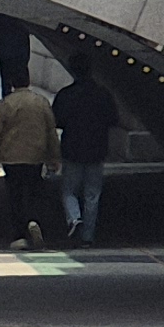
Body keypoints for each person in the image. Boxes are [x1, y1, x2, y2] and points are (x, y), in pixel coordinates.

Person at [51, 56, 120, 247]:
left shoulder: (66, 94)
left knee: (69, 191)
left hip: (72, 149)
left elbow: (57, 120)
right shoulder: (103, 94)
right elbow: (114, 119)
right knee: (92, 194)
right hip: (97, 149)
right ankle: (88, 236)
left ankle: (74, 217)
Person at [0, 71, 60, 249]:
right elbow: (51, 131)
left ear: (12, 83)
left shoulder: (5, 104)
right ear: (28, 81)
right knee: (34, 192)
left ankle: (19, 235)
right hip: (35, 156)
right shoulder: (41, 102)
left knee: (15, 196)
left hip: (11, 158)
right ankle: (34, 220)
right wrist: (54, 157)